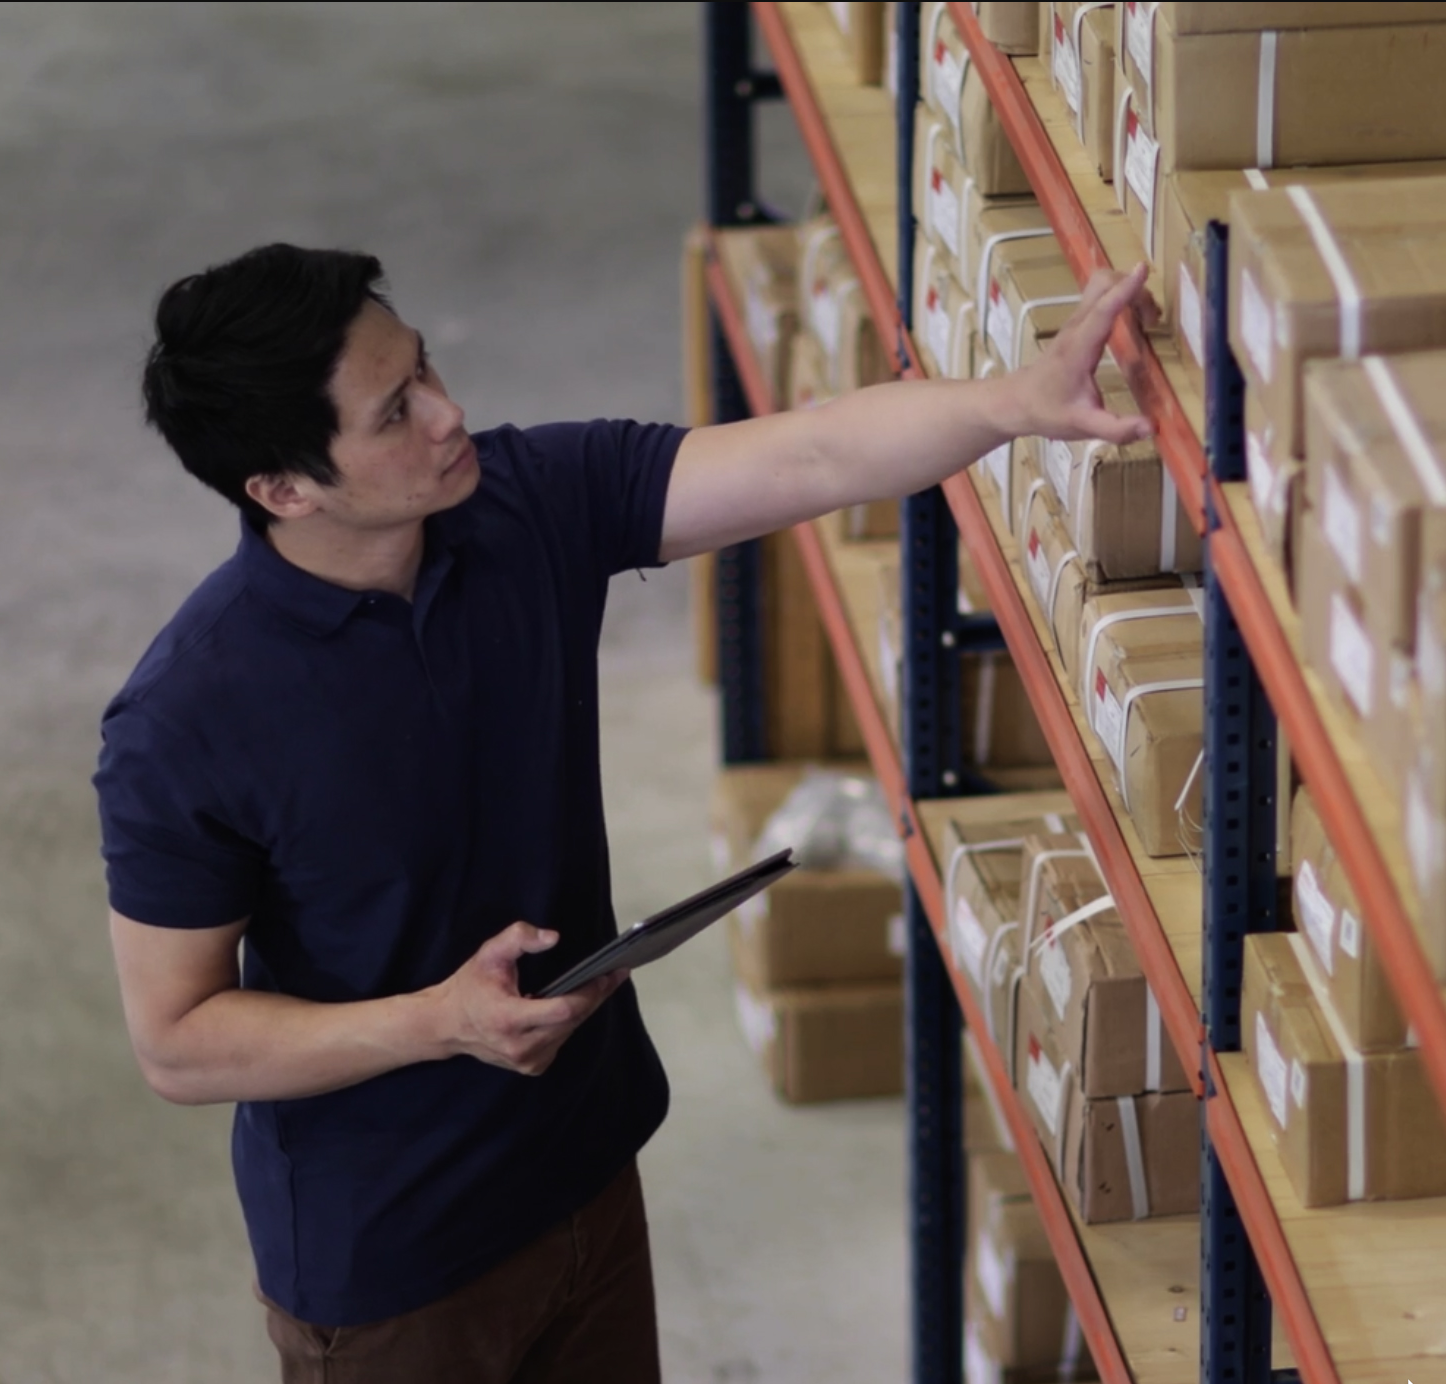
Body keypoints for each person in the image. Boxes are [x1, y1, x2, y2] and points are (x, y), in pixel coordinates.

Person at [95, 241, 1151, 1383]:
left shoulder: (524, 502)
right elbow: (177, 1043)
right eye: (395, 411)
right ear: (283, 489)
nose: (449, 414)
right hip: (396, 1263)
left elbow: (815, 451)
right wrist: (437, 1022)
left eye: (426, 368)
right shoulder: (186, 719)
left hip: (585, 1171)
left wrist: (1015, 402)